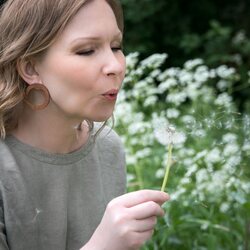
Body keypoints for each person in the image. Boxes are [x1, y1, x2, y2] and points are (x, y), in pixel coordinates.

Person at [0, 0, 170, 249]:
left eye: (116, 46)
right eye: (87, 50)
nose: (115, 66)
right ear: (30, 67)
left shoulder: (108, 147)